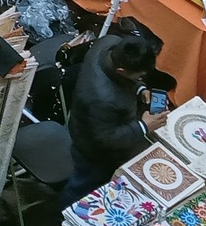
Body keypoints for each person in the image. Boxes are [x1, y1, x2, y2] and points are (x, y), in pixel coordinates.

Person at [62, 30, 165, 202]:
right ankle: (66, 214)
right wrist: (144, 126)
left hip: (90, 119)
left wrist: (140, 88)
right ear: (121, 70)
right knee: (82, 186)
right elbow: (106, 138)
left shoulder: (110, 43)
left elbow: (127, 78)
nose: (142, 77)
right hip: (93, 151)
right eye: (140, 75)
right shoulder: (101, 99)